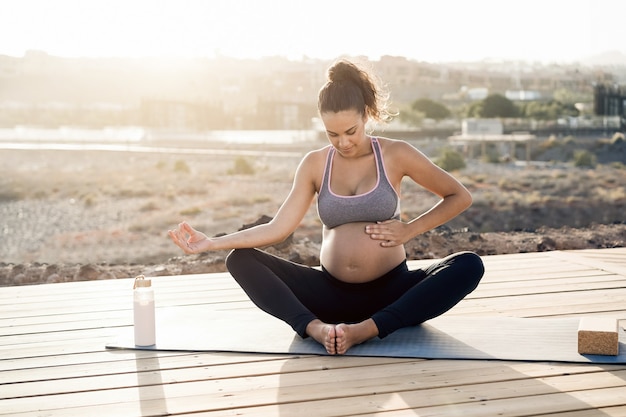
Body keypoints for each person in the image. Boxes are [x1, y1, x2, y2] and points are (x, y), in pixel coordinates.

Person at [168, 59, 484, 355]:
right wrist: (211, 243)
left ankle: (367, 330)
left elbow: (459, 196)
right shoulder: (315, 164)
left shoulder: (396, 154)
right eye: (332, 134)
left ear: (367, 116)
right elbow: (278, 229)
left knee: (468, 265)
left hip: (394, 292)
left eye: (351, 132)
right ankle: (315, 328)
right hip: (329, 295)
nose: (343, 142)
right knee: (240, 260)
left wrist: (410, 229)